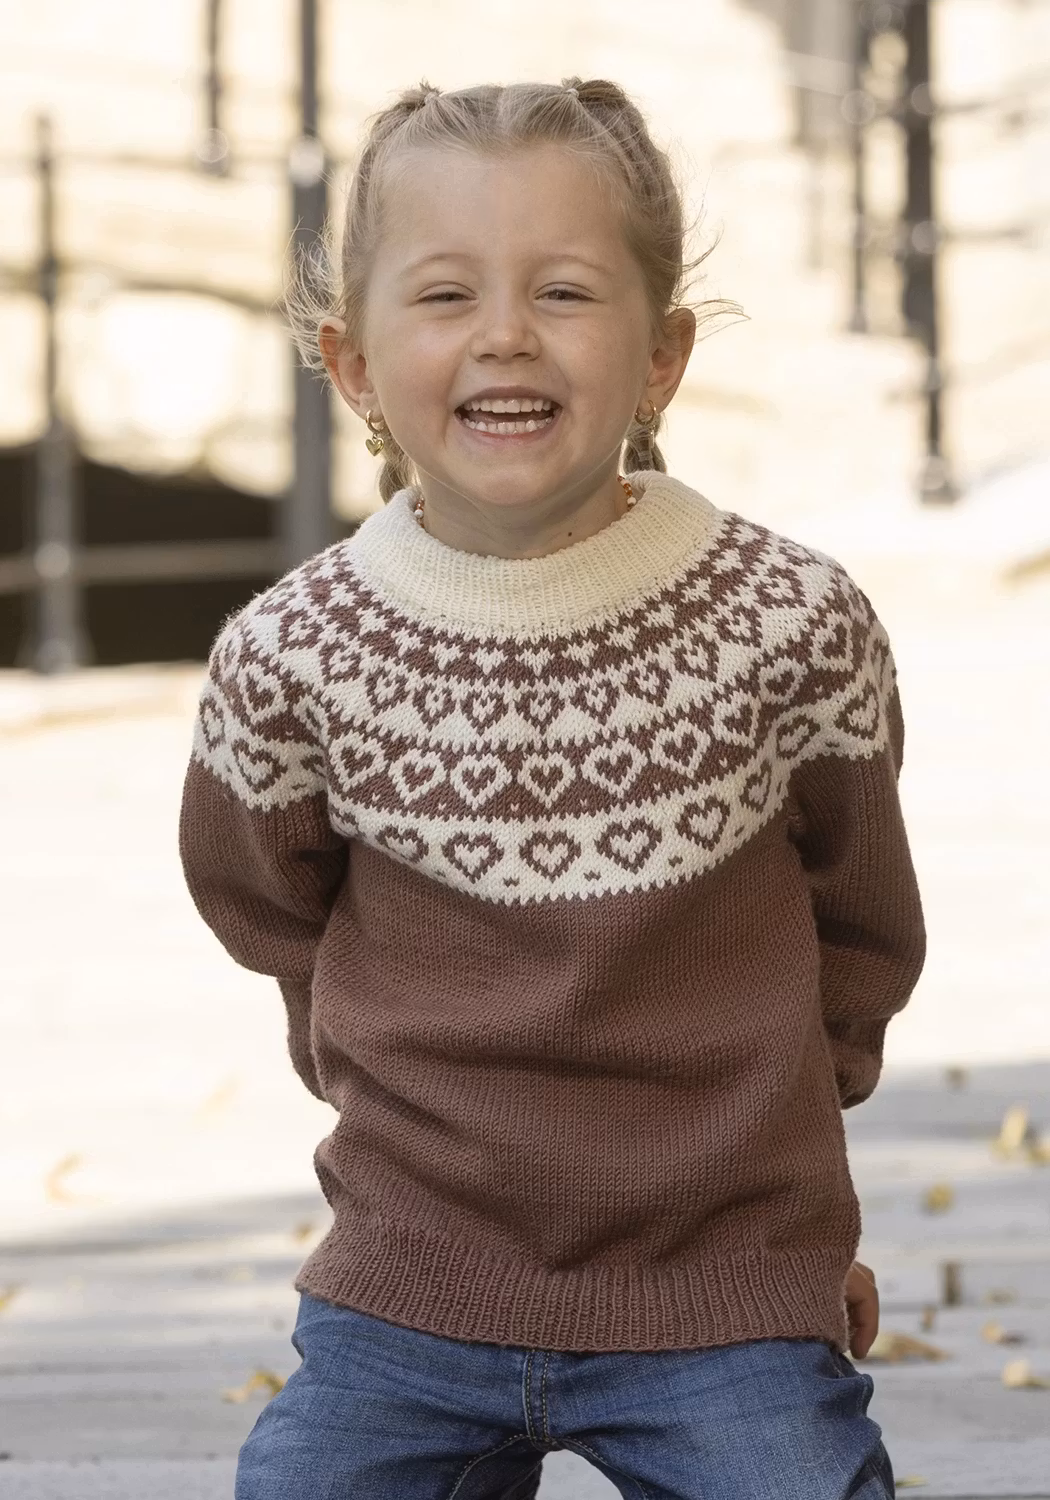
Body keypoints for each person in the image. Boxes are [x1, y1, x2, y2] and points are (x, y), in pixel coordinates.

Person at [178, 77, 926, 1500]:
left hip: (718, 1286)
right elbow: (266, 907)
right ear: (348, 363)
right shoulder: (290, 653)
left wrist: (786, 1216)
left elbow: (860, 919)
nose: (504, 334)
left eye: (566, 293)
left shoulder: (789, 624)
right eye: (444, 294)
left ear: (660, 358)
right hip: (410, 1289)